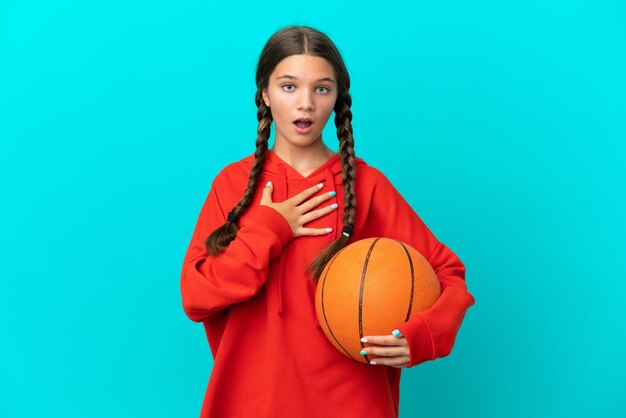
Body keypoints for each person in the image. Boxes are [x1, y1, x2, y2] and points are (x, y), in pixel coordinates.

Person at [180, 25, 475, 418]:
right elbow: (196, 296)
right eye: (289, 87)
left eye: (322, 88)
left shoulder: (367, 186)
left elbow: (448, 273)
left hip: (354, 404)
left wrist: (424, 335)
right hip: (252, 403)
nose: (306, 103)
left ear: (337, 98)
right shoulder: (233, 185)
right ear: (265, 94)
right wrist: (270, 228)